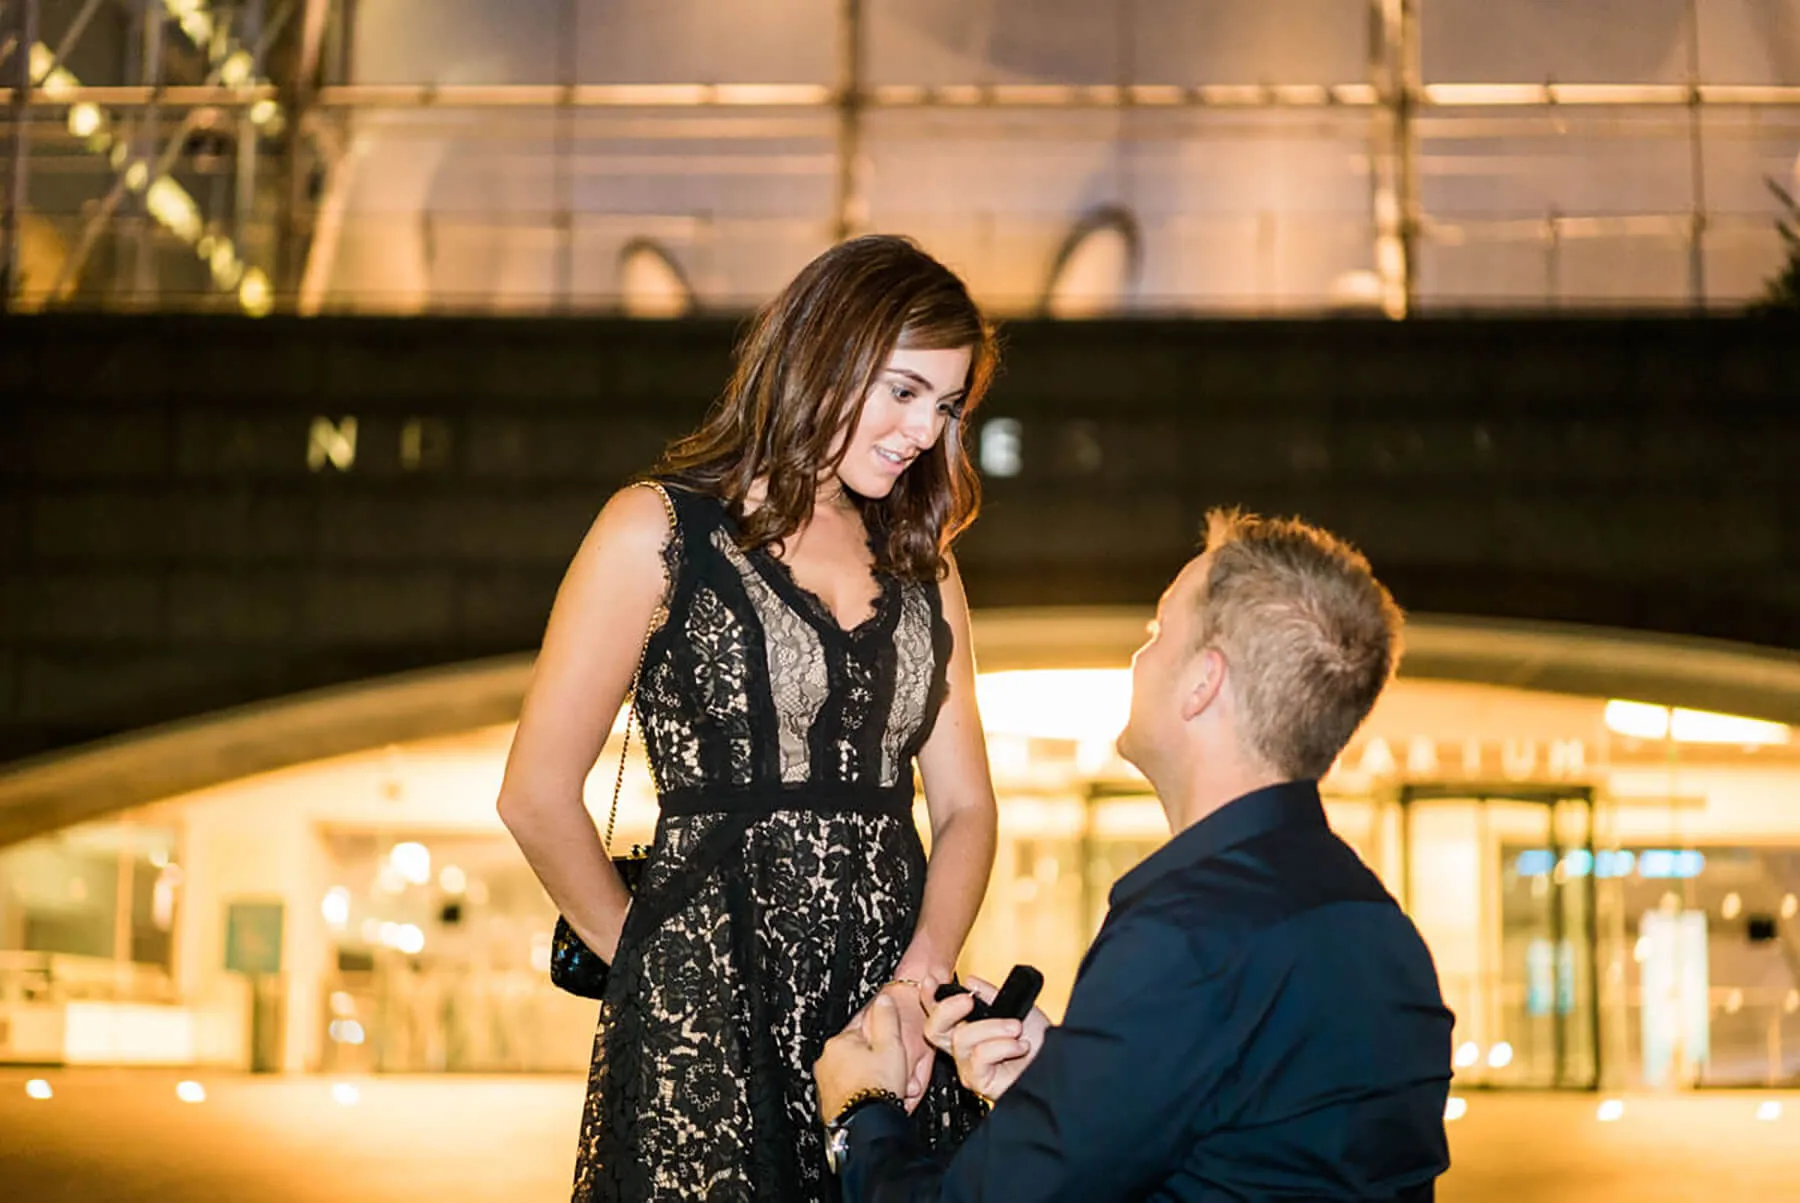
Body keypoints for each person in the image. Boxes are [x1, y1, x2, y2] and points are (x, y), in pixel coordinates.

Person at [497, 235, 1002, 1203]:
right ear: (823, 351)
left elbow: (969, 810)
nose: (920, 432)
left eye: (944, 407)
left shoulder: (924, 565)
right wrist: (658, 975)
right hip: (704, 1018)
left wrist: (917, 978)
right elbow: (534, 795)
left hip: (882, 1021)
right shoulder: (654, 530)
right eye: (901, 391)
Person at [815, 509, 1456, 1202]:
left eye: (1158, 632)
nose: (1137, 656)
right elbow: (1255, 1142)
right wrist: (1060, 1079)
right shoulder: (1381, 928)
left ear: (1202, 682)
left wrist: (861, 1115)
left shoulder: (1186, 933)